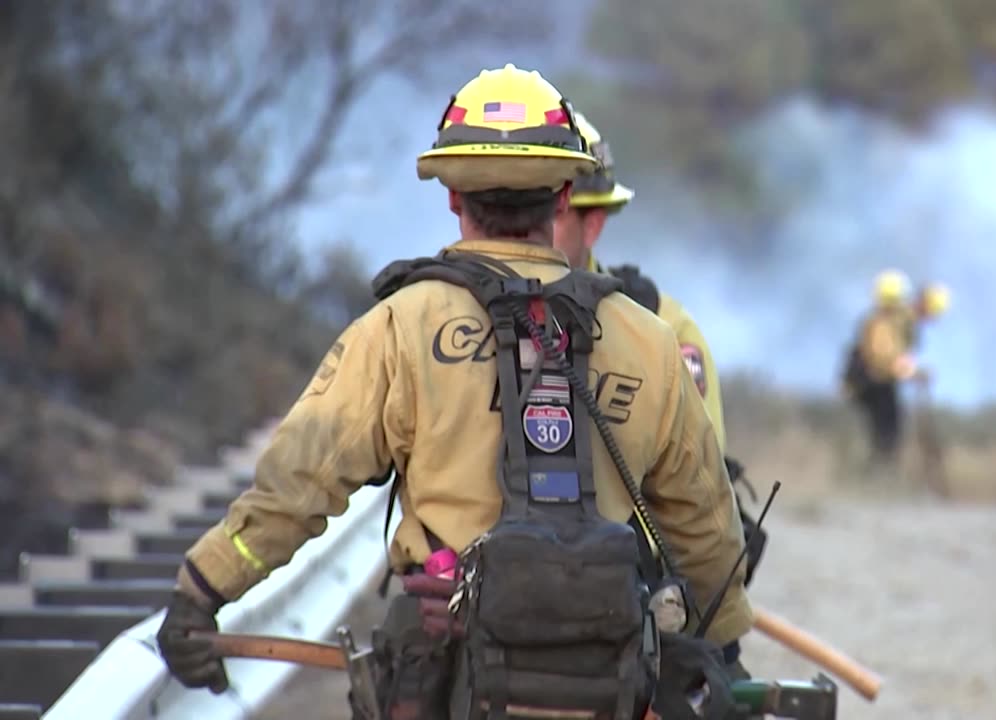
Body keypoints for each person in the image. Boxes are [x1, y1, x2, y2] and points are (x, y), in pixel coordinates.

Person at [155, 64, 750, 719]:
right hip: (609, 675)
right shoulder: (650, 340)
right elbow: (706, 532)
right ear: (562, 198)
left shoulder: (400, 328)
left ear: (452, 197)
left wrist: (201, 589)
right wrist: (719, 648)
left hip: (441, 673)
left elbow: (296, 485)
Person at [551, 111, 767, 610]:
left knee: (713, 678)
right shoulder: (459, 320)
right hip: (484, 586)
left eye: (551, 213)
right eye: (517, 210)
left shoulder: (662, 328)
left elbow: (700, 487)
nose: (527, 231)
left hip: (630, 593)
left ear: (594, 222)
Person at [840, 269, 932, 469]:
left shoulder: (883, 323)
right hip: (874, 384)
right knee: (886, 431)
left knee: (888, 428)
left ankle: (880, 471)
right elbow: (885, 360)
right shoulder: (881, 325)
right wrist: (914, 373)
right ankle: (877, 474)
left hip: (876, 383)